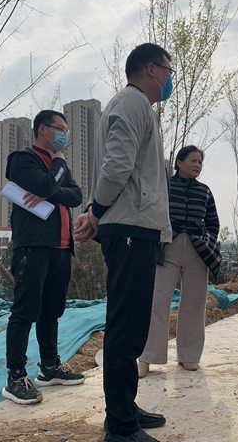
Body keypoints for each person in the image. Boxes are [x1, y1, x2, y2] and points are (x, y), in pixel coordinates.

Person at [74, 43, 173, 442]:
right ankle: (119, 425)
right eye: (168, 71)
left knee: (132, 325)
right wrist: (96, 211)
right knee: (124, 327)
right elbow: (117, 165)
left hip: (137, 225)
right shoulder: (131, 103)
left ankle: (125, 406)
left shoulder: (137, 106)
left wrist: (96, 210)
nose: (170, 80)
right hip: (129, 226)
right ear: (151, 69)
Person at [2, 110, 85, 405]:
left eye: (66, 129)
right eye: (60, 128)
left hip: (61, 248)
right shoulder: (22, 160)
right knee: (25, 310)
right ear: (42, 129)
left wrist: (50, 189)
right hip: (33, 246)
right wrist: (56, 172)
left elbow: (76, 196)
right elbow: (48, 186)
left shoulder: (57, 166)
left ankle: (50, 367)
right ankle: (15, 376)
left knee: (51, 310)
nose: (65, 134)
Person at [138, 145, 221, 378]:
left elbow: (213, 222)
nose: (197, 165)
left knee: (194, 304)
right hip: (167, 248)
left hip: (197, 250)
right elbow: (152, 214)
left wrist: (207, 240)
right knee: (157, 302)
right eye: (193, 160)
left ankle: (189, 356)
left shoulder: (205, 191)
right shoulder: (164, 186)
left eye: (200, 162)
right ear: (179, 163)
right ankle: (147, 357)